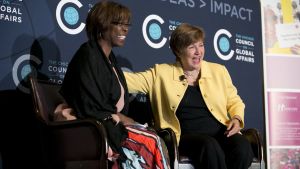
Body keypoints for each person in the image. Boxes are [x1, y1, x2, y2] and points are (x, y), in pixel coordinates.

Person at [124, 23, 254, 169]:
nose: (198, 52)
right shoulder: (161, 73)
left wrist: (236, 118)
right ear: (178, 51)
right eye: (192, 47)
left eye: (201, 45)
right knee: (209, 146)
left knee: (242, 146)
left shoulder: (219, 71)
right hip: (184, 137)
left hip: (219, 132)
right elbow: (128, 81)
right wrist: (103, 68)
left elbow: (234, 100)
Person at [59, 1, 169, 168]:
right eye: (118, 23)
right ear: (102, 24)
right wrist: (122, 119)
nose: (125, 29)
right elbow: (90, 106)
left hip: (110, 124)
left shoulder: (110, 60)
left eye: (127, 24)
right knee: (153, 140)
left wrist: (127, 120)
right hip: (94, 128)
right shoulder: (88, 54)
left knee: (154, 136)